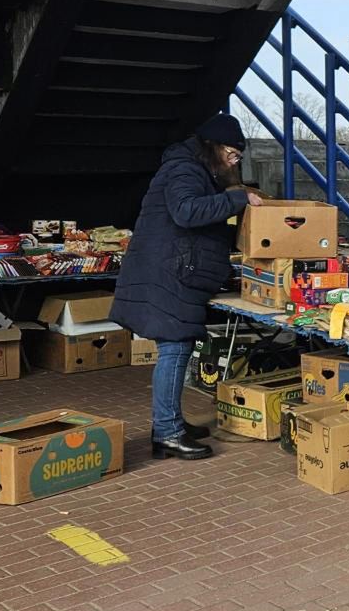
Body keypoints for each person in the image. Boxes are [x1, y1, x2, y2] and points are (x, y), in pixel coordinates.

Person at [112, 113, 263, 460]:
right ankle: (167, 433)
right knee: (175, 348)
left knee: (177, 347)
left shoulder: (195, 170)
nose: (234, 162)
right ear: (214, 147)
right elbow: (186, 211)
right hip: (169, 274)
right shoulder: (184, 169)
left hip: (172, 270)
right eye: (233, 154)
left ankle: (170, 422)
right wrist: (237, 198)